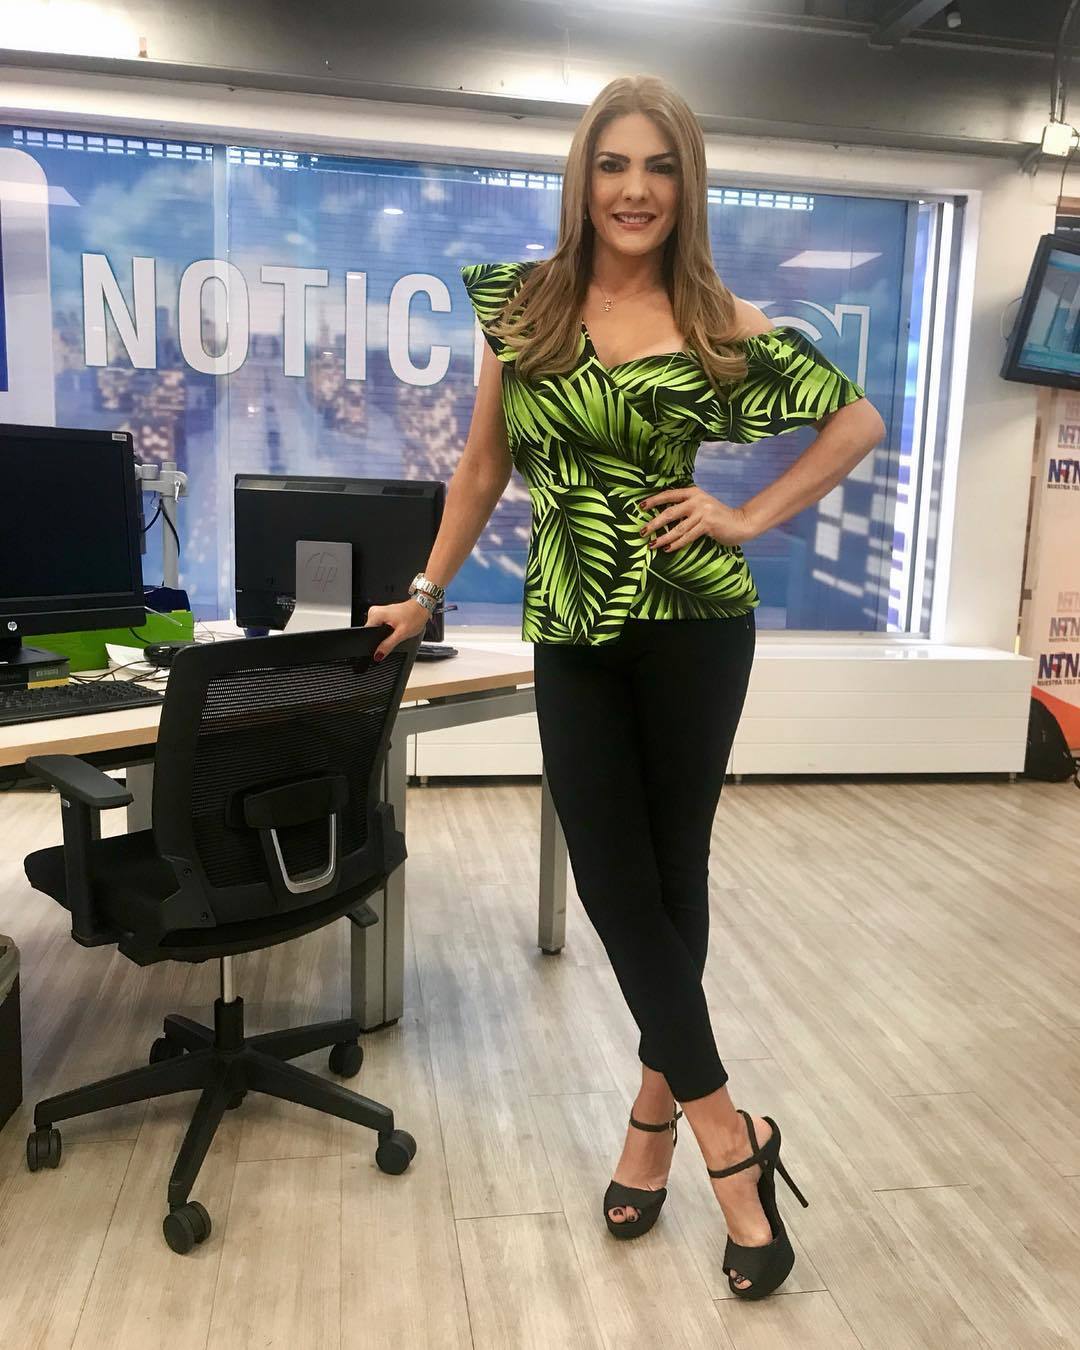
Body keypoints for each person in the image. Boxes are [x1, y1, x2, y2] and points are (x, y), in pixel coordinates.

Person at [366, 72, 885, 1300]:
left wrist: (745, 515)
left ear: (684, 184)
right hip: (574, 620)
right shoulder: (527, 307)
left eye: (659, 167)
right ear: (583, 179)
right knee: (611, 879)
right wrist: (425, 592)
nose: (635, 189)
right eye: (614, 165)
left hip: (697, 622)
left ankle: (653, 1123)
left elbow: (856, 423)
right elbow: (482, 468)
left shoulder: (715, 319)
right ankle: (730, 1137)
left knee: (671, 877)